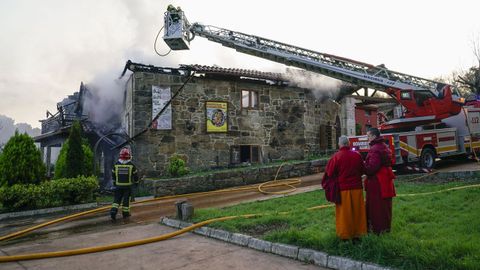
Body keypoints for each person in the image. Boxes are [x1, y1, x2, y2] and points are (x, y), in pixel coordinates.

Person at [323, 135, 367, 240]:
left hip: (343, 190)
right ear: (349, 143)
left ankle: (345, 235)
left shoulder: (336, 157)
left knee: (344, 213)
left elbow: (329, 173)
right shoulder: (357, 155)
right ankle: (359, 233)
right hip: (357, 188)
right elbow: (362, 170)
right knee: (358, 212)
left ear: (339, 144)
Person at [364, 128, 396, 234]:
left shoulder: (375, 148)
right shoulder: (384, 146)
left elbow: (372, 167)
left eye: (368, 136)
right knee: (385, 207)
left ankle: (377, 230)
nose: (367, 138)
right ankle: (386, 229)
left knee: (376, 207)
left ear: (373, 136)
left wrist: (363, 167)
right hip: (385, 181)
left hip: (378, 182)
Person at [110, 147, 139, 221]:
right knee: (126, 201)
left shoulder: (116, 165)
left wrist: (114, 183)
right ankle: (125, 214)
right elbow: (136, 176)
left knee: (116, 200)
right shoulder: (131, 165)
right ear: (128, 156)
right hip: (127, 187)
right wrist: (136, 183)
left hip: (118, 186)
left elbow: (113, 175)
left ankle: (113, 211)